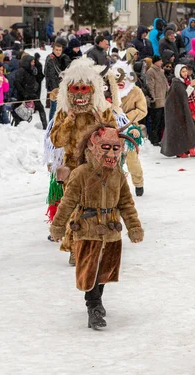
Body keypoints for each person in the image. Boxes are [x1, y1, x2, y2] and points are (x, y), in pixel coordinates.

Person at [50, 123, 143, 330]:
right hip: (87, 229)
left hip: (111, 232)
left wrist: (134, 227)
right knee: (89, 269)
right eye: (105, 147)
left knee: (104, 270)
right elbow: (68, 202)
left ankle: (97, 300)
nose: (111, 153)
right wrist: (58, 225)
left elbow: (126, 203)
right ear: (93, 147)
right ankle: (93, 305)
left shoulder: (118, 175)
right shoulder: (82, 173)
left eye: (115, 148)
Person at [161, 64, 195, 158]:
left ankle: (187, 150)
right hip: (179, 112)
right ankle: (186, 150)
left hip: (185, 110)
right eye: (183, 71)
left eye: (186, 71)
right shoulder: (177, 84)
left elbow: (189, 96)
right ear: (178, 72)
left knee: (187, 130)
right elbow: (184, 96)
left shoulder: (185, 82)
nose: (185, 73)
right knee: (186, 130)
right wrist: (191, 87)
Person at [13, 54, 47, 129]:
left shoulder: (33, 70)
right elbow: (16, 83)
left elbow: (38, 78)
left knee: (41, 108)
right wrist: (24, 93)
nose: (33, 63)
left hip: (33, 94)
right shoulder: (21, 70)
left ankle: (45, 126)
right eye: (32, 62)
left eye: (34, 62)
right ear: (27, 62)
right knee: (21, 112)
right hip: (23, 96)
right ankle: (18, 127)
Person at [45, 42, 71, 121]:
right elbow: (51, 76)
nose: (58, 52)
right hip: (53, 88)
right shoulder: (50, 59)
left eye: (60, 50)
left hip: (62, 87)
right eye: (56, 50)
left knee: (63, 107)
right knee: (54, 107)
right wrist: (55, 89)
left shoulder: (63, 57)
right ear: (53, 50)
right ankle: (51, 125)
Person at [145, 55, 168, 146]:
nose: (161, 62)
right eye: (160, 61)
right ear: (155, 62)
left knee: (161, 122)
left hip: (163, 100)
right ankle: (154, 139)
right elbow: (150, 86)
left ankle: (159, 138)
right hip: (157, 100)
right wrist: (153, 98)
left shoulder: (161, 71)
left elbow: (165, 84)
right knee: (156, 122)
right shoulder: (151, 72)